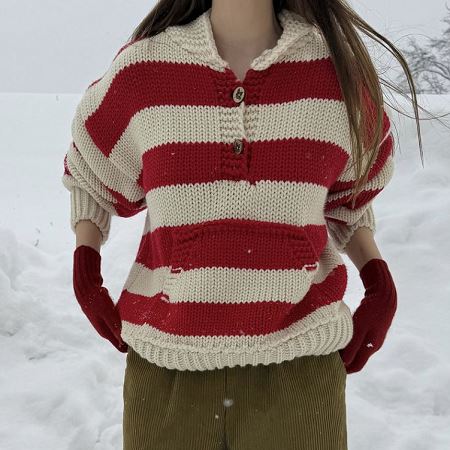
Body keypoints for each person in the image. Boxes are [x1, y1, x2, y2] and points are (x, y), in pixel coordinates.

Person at [62, 0, 424, 449]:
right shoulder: (144, 72)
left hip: (300, 372)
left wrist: (378, 279)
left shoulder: (336, 77)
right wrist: (85, 266)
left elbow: (348, 198)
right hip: (167, 373)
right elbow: (92, 173)